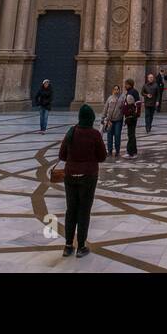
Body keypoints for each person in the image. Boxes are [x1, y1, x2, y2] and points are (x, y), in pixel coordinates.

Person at [57, 104, 107, 257]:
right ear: (91, 119)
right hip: (88, 177)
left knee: (71, 210)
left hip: (70, 176)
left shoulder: (71, 132)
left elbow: (61, 155)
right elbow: (102, 156)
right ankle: (81, 247)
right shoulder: (94, 134)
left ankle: (67, 246)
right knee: (84, 211)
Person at [102, 84, 124, 158]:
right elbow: (105, 108)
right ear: (113, 90)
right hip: (110, 120)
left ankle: (117, 151)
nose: (116, 91)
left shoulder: (122, 98)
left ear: (119, 90)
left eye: (117, 89)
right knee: (109, 136)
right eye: (115, 89)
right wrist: (103, 117)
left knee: (117, 136)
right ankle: (110, 151)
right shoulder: (110, 98)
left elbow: (124, 109)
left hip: (118, 120)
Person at [122, 79, 142, 159]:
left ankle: (131, 152)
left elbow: (138, 104)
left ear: (130, 84)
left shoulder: (133, 92)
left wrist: (135, 114)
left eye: (126, 84)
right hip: (129, 116)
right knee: (131, 134)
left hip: (131, 117)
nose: (125, 86)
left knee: (131, 134)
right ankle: (133, 151)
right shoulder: (130, 92)